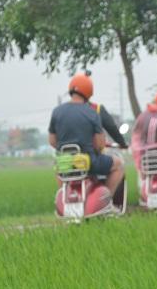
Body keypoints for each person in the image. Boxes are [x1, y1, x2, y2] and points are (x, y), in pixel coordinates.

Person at [48, 72, 125, 200]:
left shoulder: (57, 111)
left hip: (65, 162)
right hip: (88, 162)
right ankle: (107, 200)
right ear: (89, 92)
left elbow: (52, 141)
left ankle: (66, 196)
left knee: (59, 167)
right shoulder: (92, 112)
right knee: (119, 165)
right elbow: (99, 144)